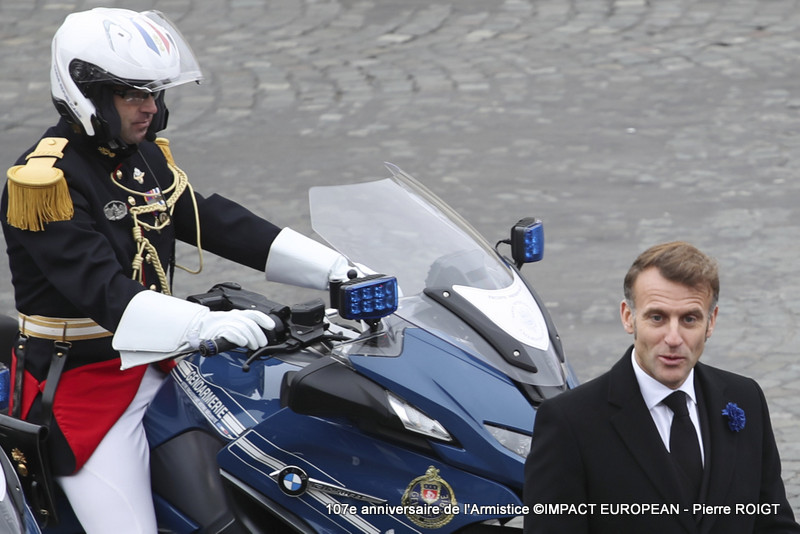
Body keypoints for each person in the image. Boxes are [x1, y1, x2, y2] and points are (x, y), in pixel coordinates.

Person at [1, 8, 360, 533]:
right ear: (88, 93)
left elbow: (214, 220)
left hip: (165, 359)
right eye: (134, 95)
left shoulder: (139, 155)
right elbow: (106, 294)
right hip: (88, 382)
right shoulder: (45, 181)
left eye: (155, 93)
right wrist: (200, 325)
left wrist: (334, 268)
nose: (152, 107)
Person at [523, 241, 800, 534]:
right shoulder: (570, 422)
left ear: (711, 322)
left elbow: (773, 524)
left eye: (689, 319)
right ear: (629, 317)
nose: (673, 337)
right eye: (657, 317)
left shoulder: (746, 399)